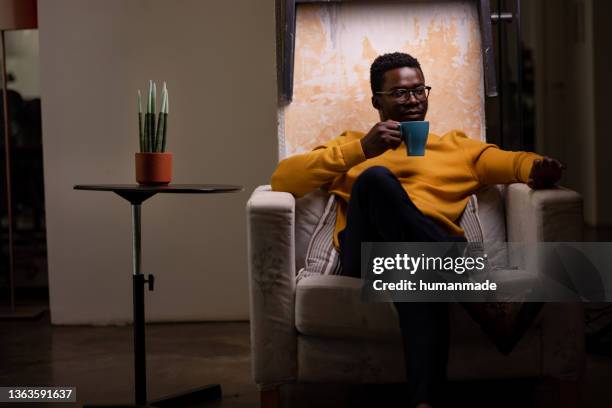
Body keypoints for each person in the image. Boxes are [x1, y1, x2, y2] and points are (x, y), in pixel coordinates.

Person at [270, 52, 564, 408]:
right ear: (377, 101)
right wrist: (362, 149)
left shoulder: (456, 147)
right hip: (363, 259)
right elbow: (284, 178)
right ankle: (488, 309)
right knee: (376, 180)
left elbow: (512, 162)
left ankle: (426, 401)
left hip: (411, 263)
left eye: (418, 90)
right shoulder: (353, 145)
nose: (412, 99)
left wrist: (538, 167)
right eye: (399, 93)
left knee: (416, 269)